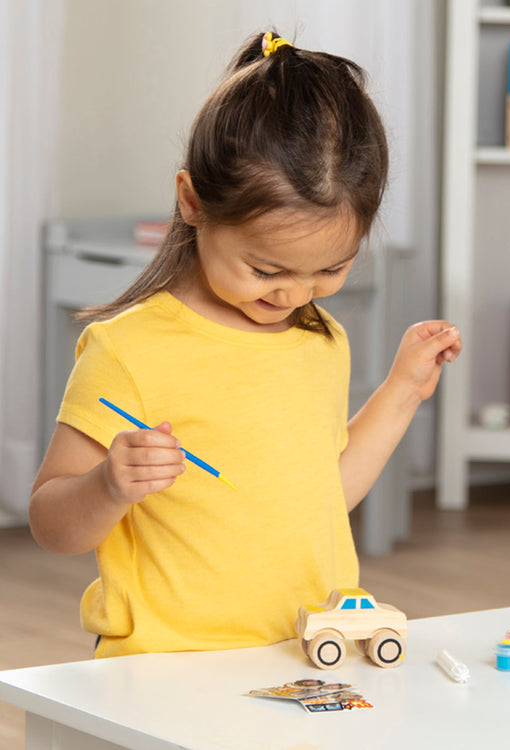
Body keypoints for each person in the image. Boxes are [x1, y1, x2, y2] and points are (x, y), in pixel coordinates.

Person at [29, 31, 462, 658]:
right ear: (192, 203)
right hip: (166, 665)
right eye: (267, 270)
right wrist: (108, 486)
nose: (295, 294)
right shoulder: (129, 349)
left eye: (329, 271)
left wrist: (402, 390)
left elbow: (321, 495)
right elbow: (50, 524)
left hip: (301, 653)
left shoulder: (321, 341)